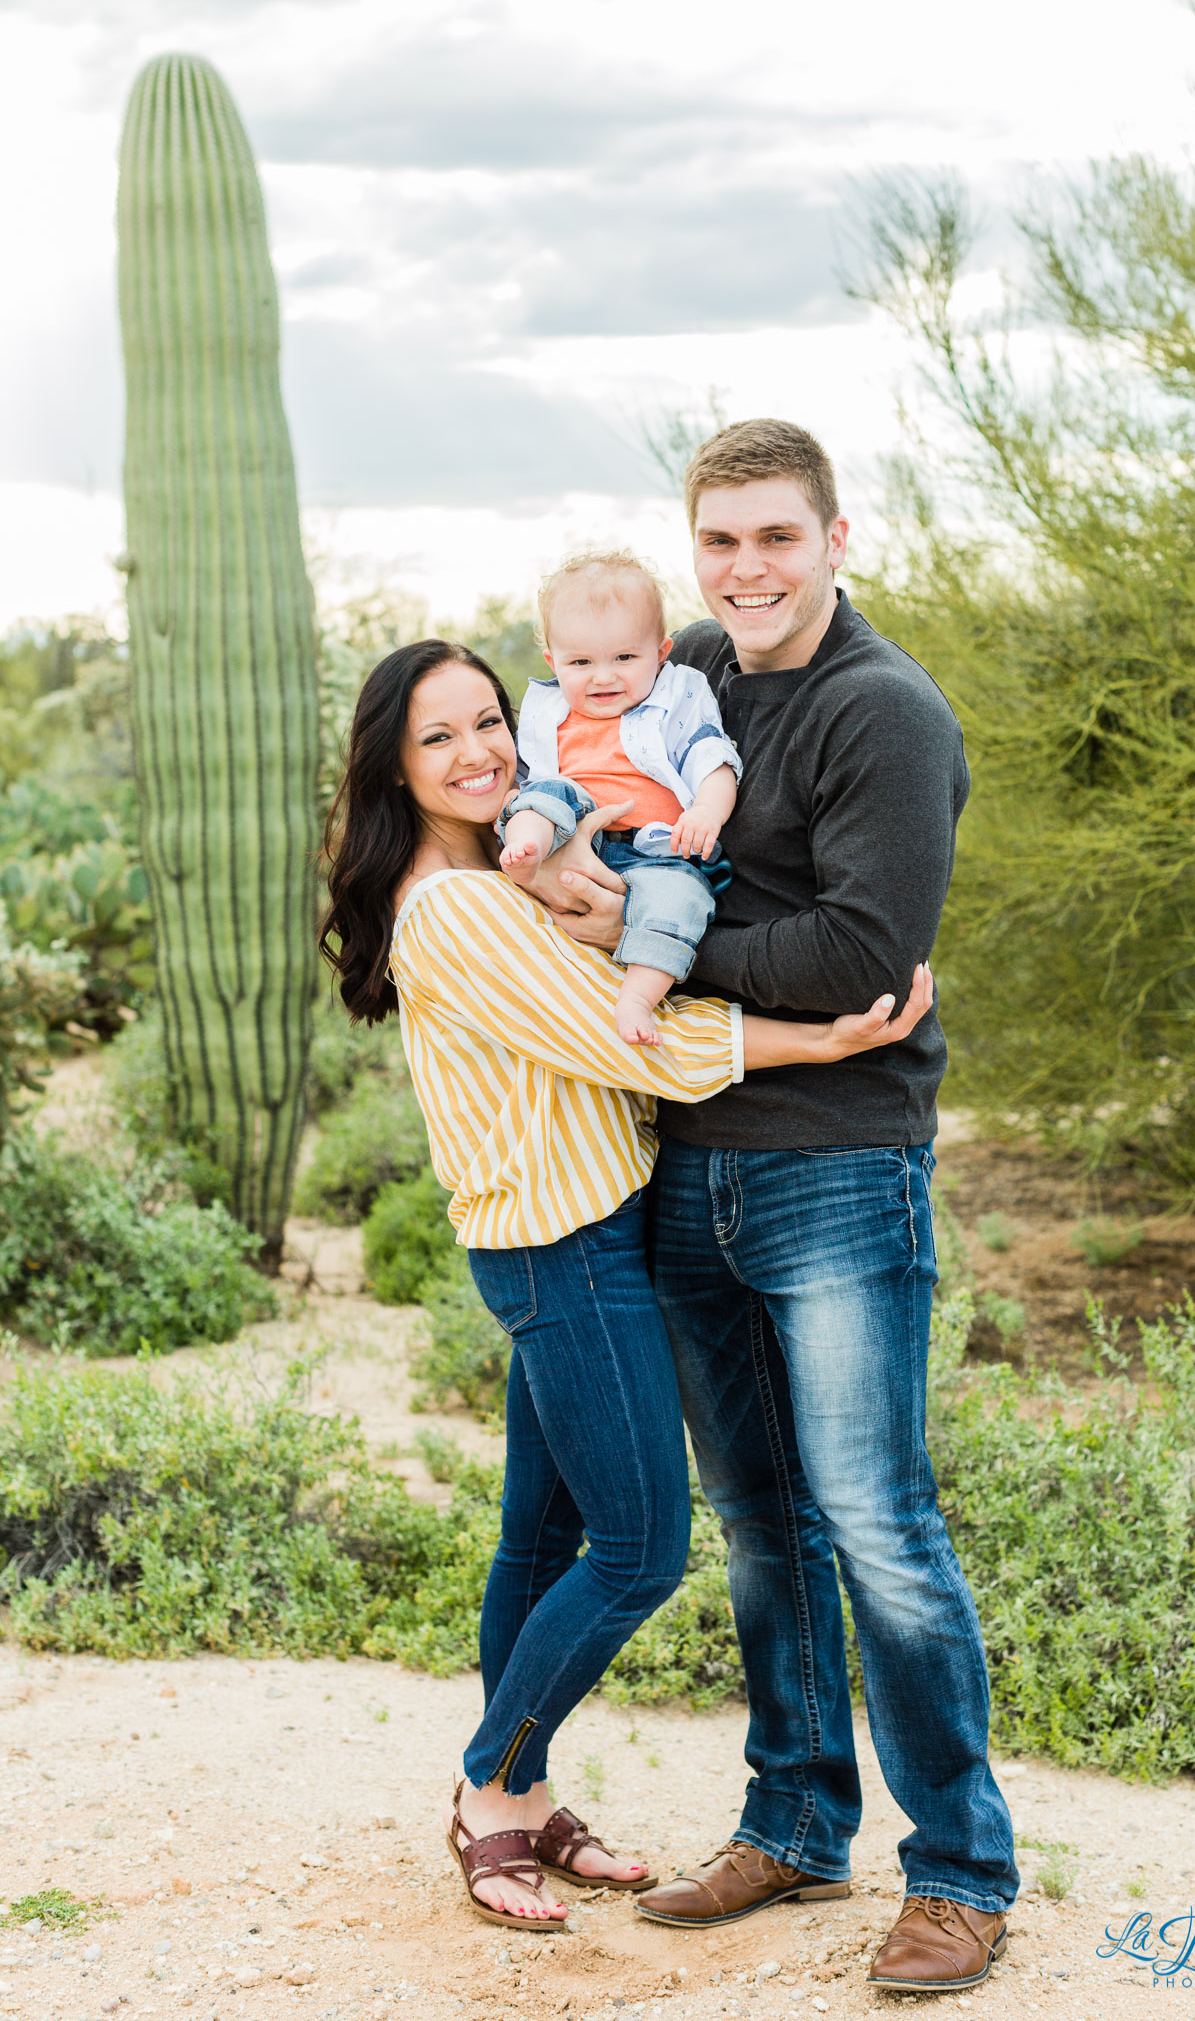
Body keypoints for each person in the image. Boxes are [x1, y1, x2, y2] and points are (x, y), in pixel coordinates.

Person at [317, 635, 936, 1936]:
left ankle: (524, 1790)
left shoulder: (498, 875)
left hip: (566, 1232)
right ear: (392, 767)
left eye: (490, 720)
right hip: (567, 1249)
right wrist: (821, 1036)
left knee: (538, 1540)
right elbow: (631, 1039)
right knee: (643, 1547)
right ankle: (488, 1788)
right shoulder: (461, 908)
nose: (480, 751)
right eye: (438, 739)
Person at [547, 420, 1019, 1996]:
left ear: (834, 538)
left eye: (776, 539)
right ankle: (796, 1819)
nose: (747, 571)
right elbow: (579, 762)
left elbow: (859, 962)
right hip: (686, 1160)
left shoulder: (882, 713)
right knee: (761, 1525)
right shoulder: (684, 672)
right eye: (721, 543)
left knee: (878, 1525)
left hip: (835, 1160)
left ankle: (957, 1871)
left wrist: (650, 936)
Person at [499, 549, 741, 1046]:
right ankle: (524, 853)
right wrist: (525, 820)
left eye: (624, 658)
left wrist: (704, 811)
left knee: (684, 901)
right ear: (553, 662)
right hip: (569, 827)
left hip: (657, 851)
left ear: (660, 651)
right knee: (544, 793)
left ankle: (638, 997)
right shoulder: (546, 710)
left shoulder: (677, 696)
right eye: (581, 662)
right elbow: (523, 781)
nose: (603, 676)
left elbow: (712, 759)